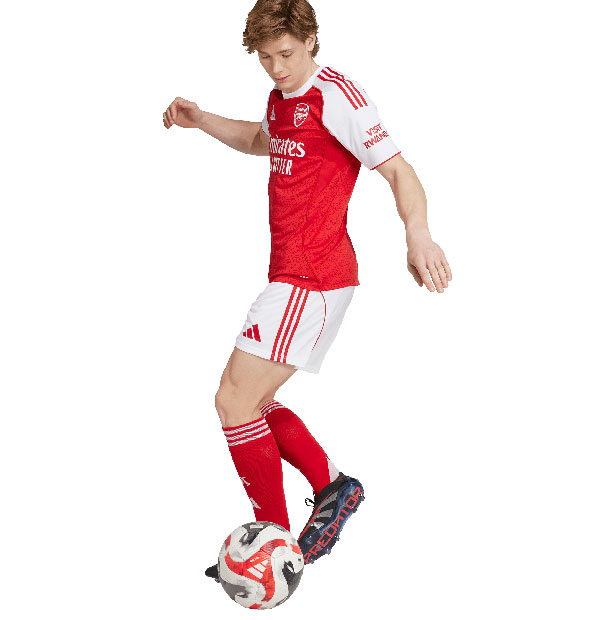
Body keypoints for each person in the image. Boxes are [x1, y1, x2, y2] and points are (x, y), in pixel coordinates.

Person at [162, 0, 452, 575]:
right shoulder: (281, 97)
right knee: (252, 404)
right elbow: (260, 139)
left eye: (286, 54)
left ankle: (272, 545)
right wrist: (203, 120)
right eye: (265, 58)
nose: (277, 68)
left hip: (314, 277)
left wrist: (418, 233)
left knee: (233, 401)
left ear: (312, 39)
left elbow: (398, 168)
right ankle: (333, 489)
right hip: (291, 275)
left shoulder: (337, 95)